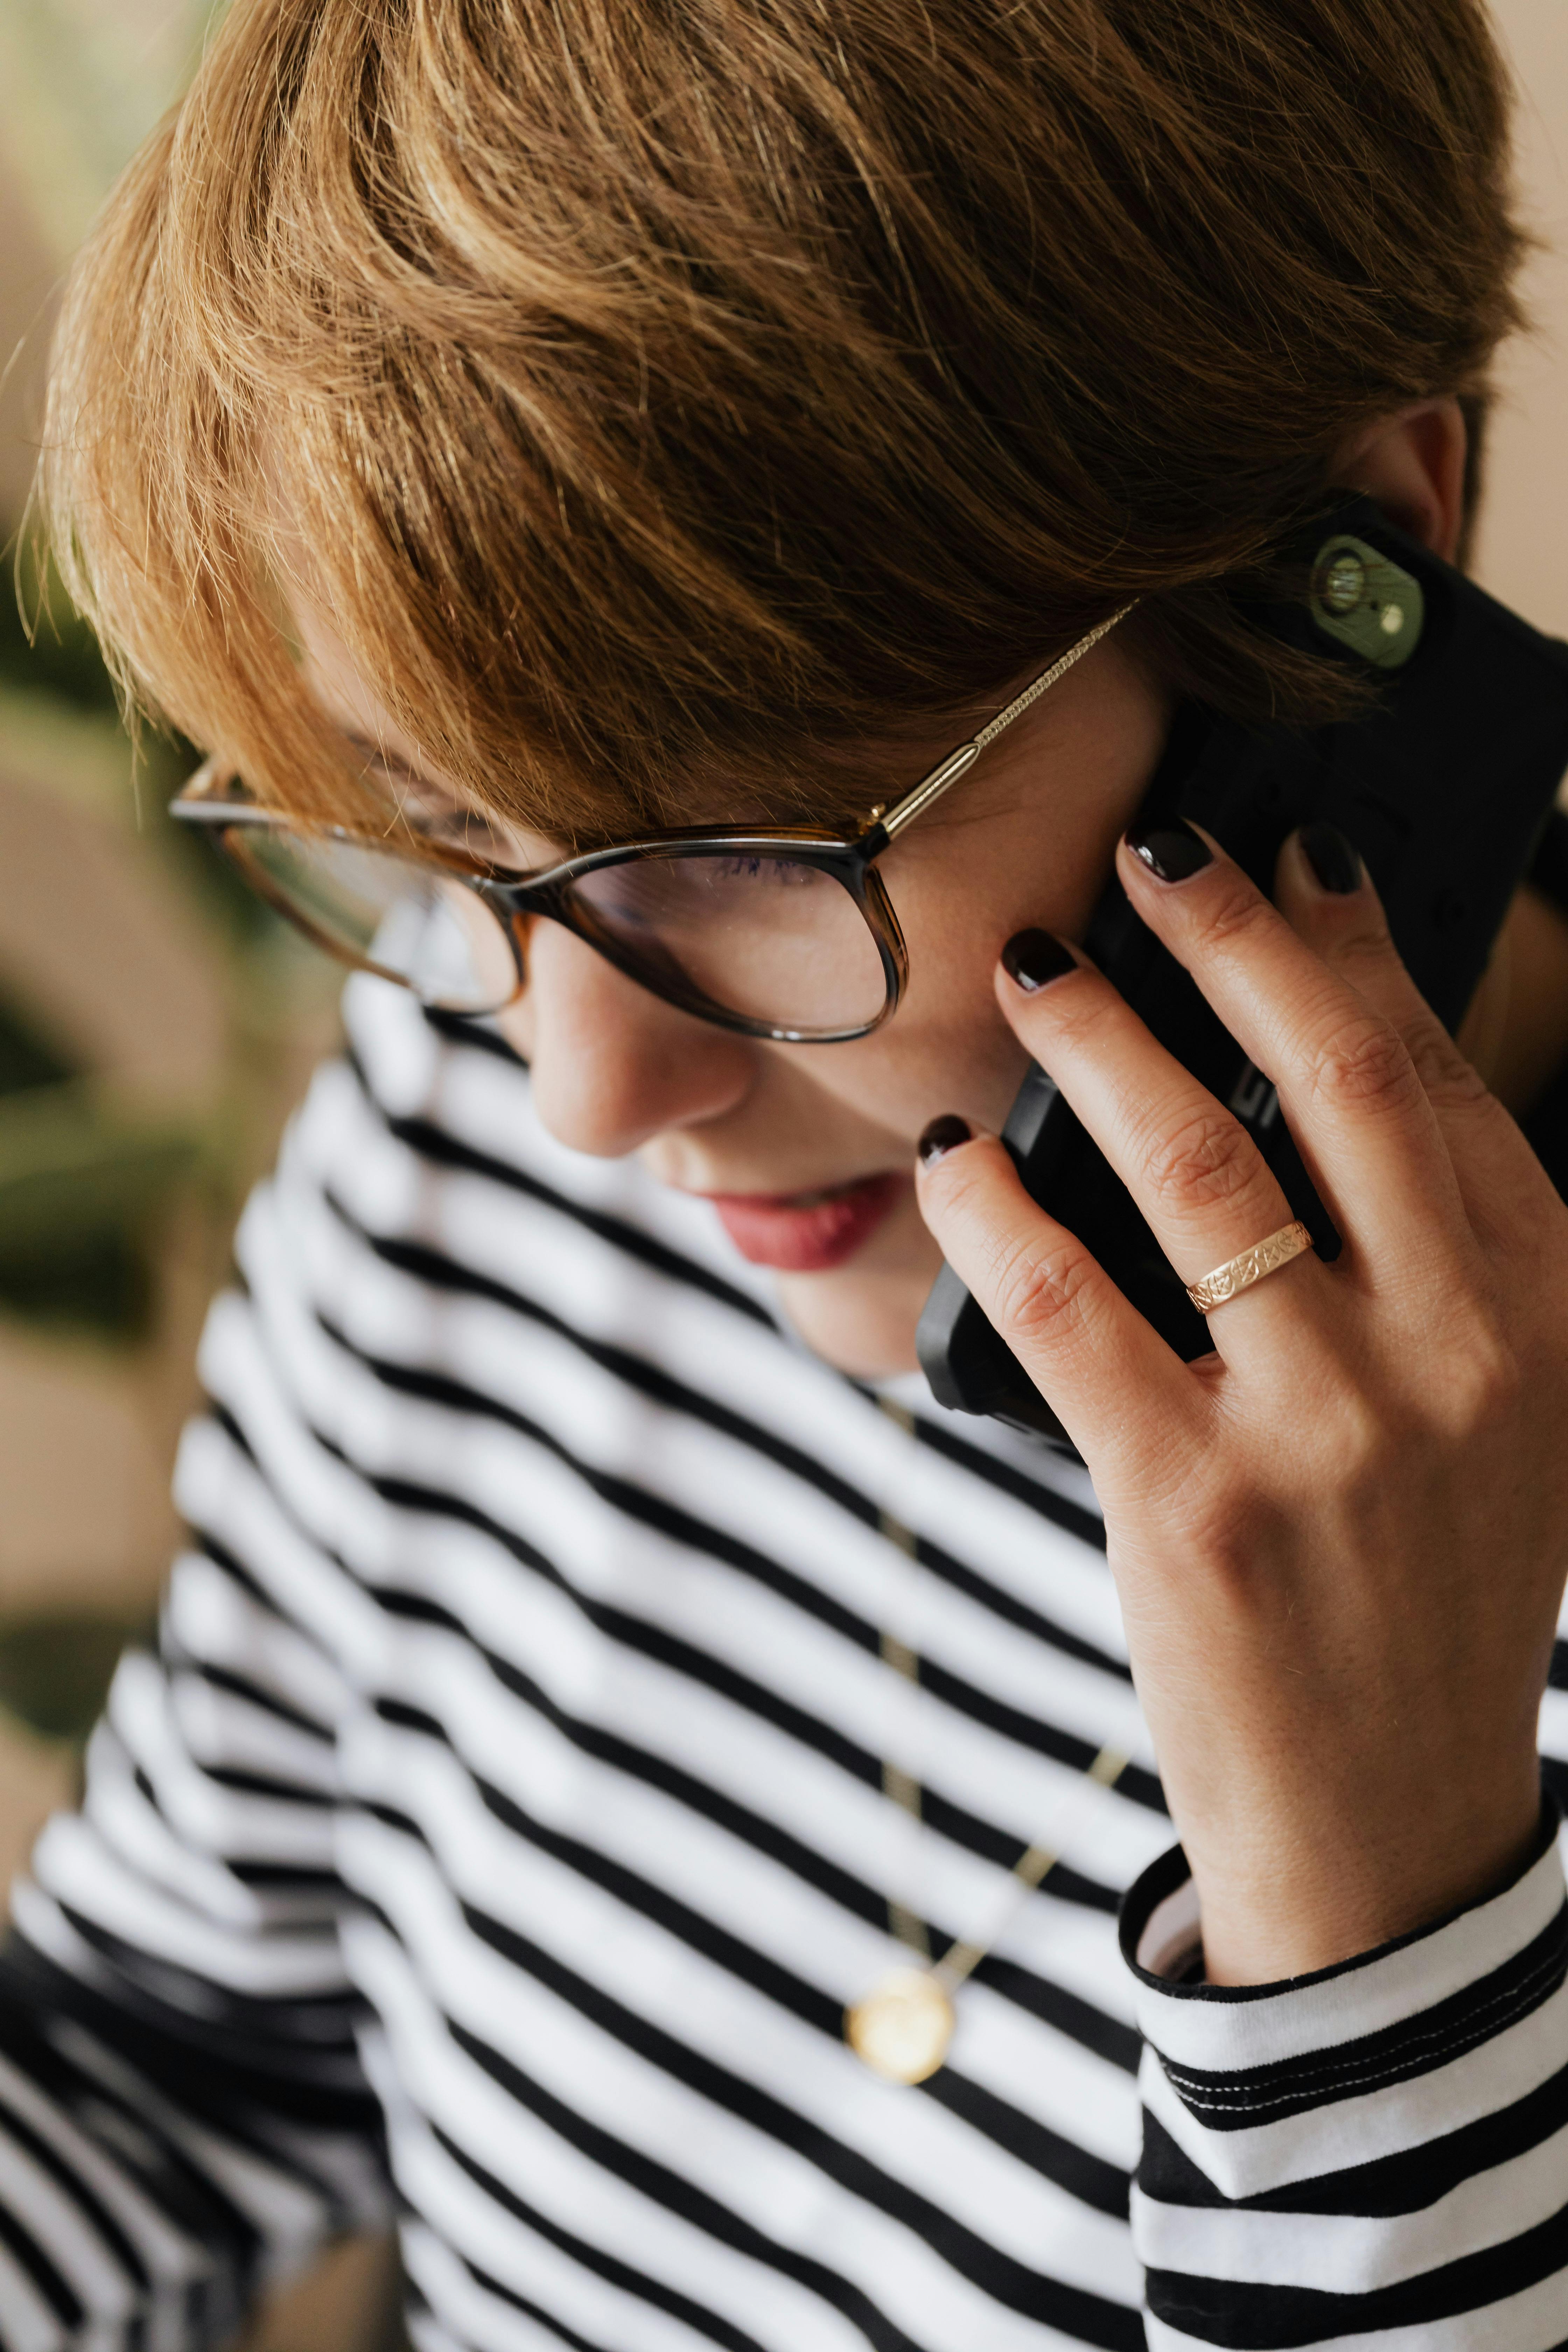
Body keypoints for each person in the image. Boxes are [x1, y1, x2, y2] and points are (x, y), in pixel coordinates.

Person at [9, 0, 1568, 2341]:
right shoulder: (478, 1119)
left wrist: (1384, 1927)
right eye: (449, 840)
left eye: (739, 848)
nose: (585, 1096)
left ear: (1354, 582)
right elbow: (166, 2063)